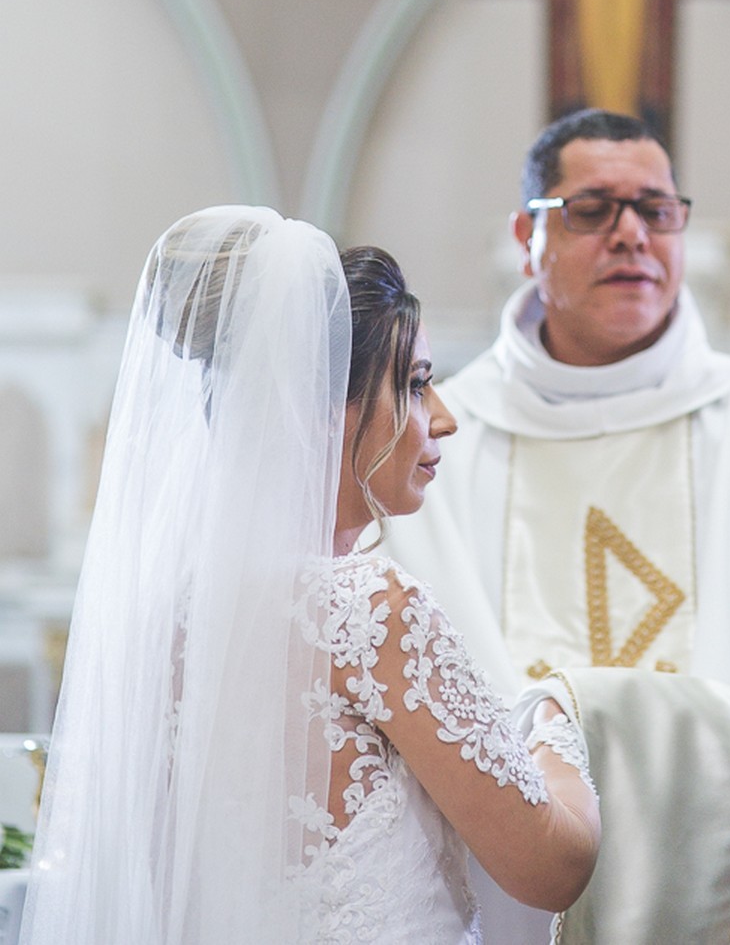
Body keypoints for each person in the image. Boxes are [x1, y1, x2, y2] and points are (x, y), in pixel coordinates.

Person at [20, 208, 599, 945]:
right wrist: (555, 725)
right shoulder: (373, 611)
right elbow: (551, 864)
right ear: (322, 410)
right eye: (417, 385)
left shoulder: (170, 615)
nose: (444, 418)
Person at [385, 108, 730, 942]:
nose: (630, 235)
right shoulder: (434, 440)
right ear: (525, 235)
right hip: (495, 884)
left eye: (656, 211)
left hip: (726, 869)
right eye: (592, 210)